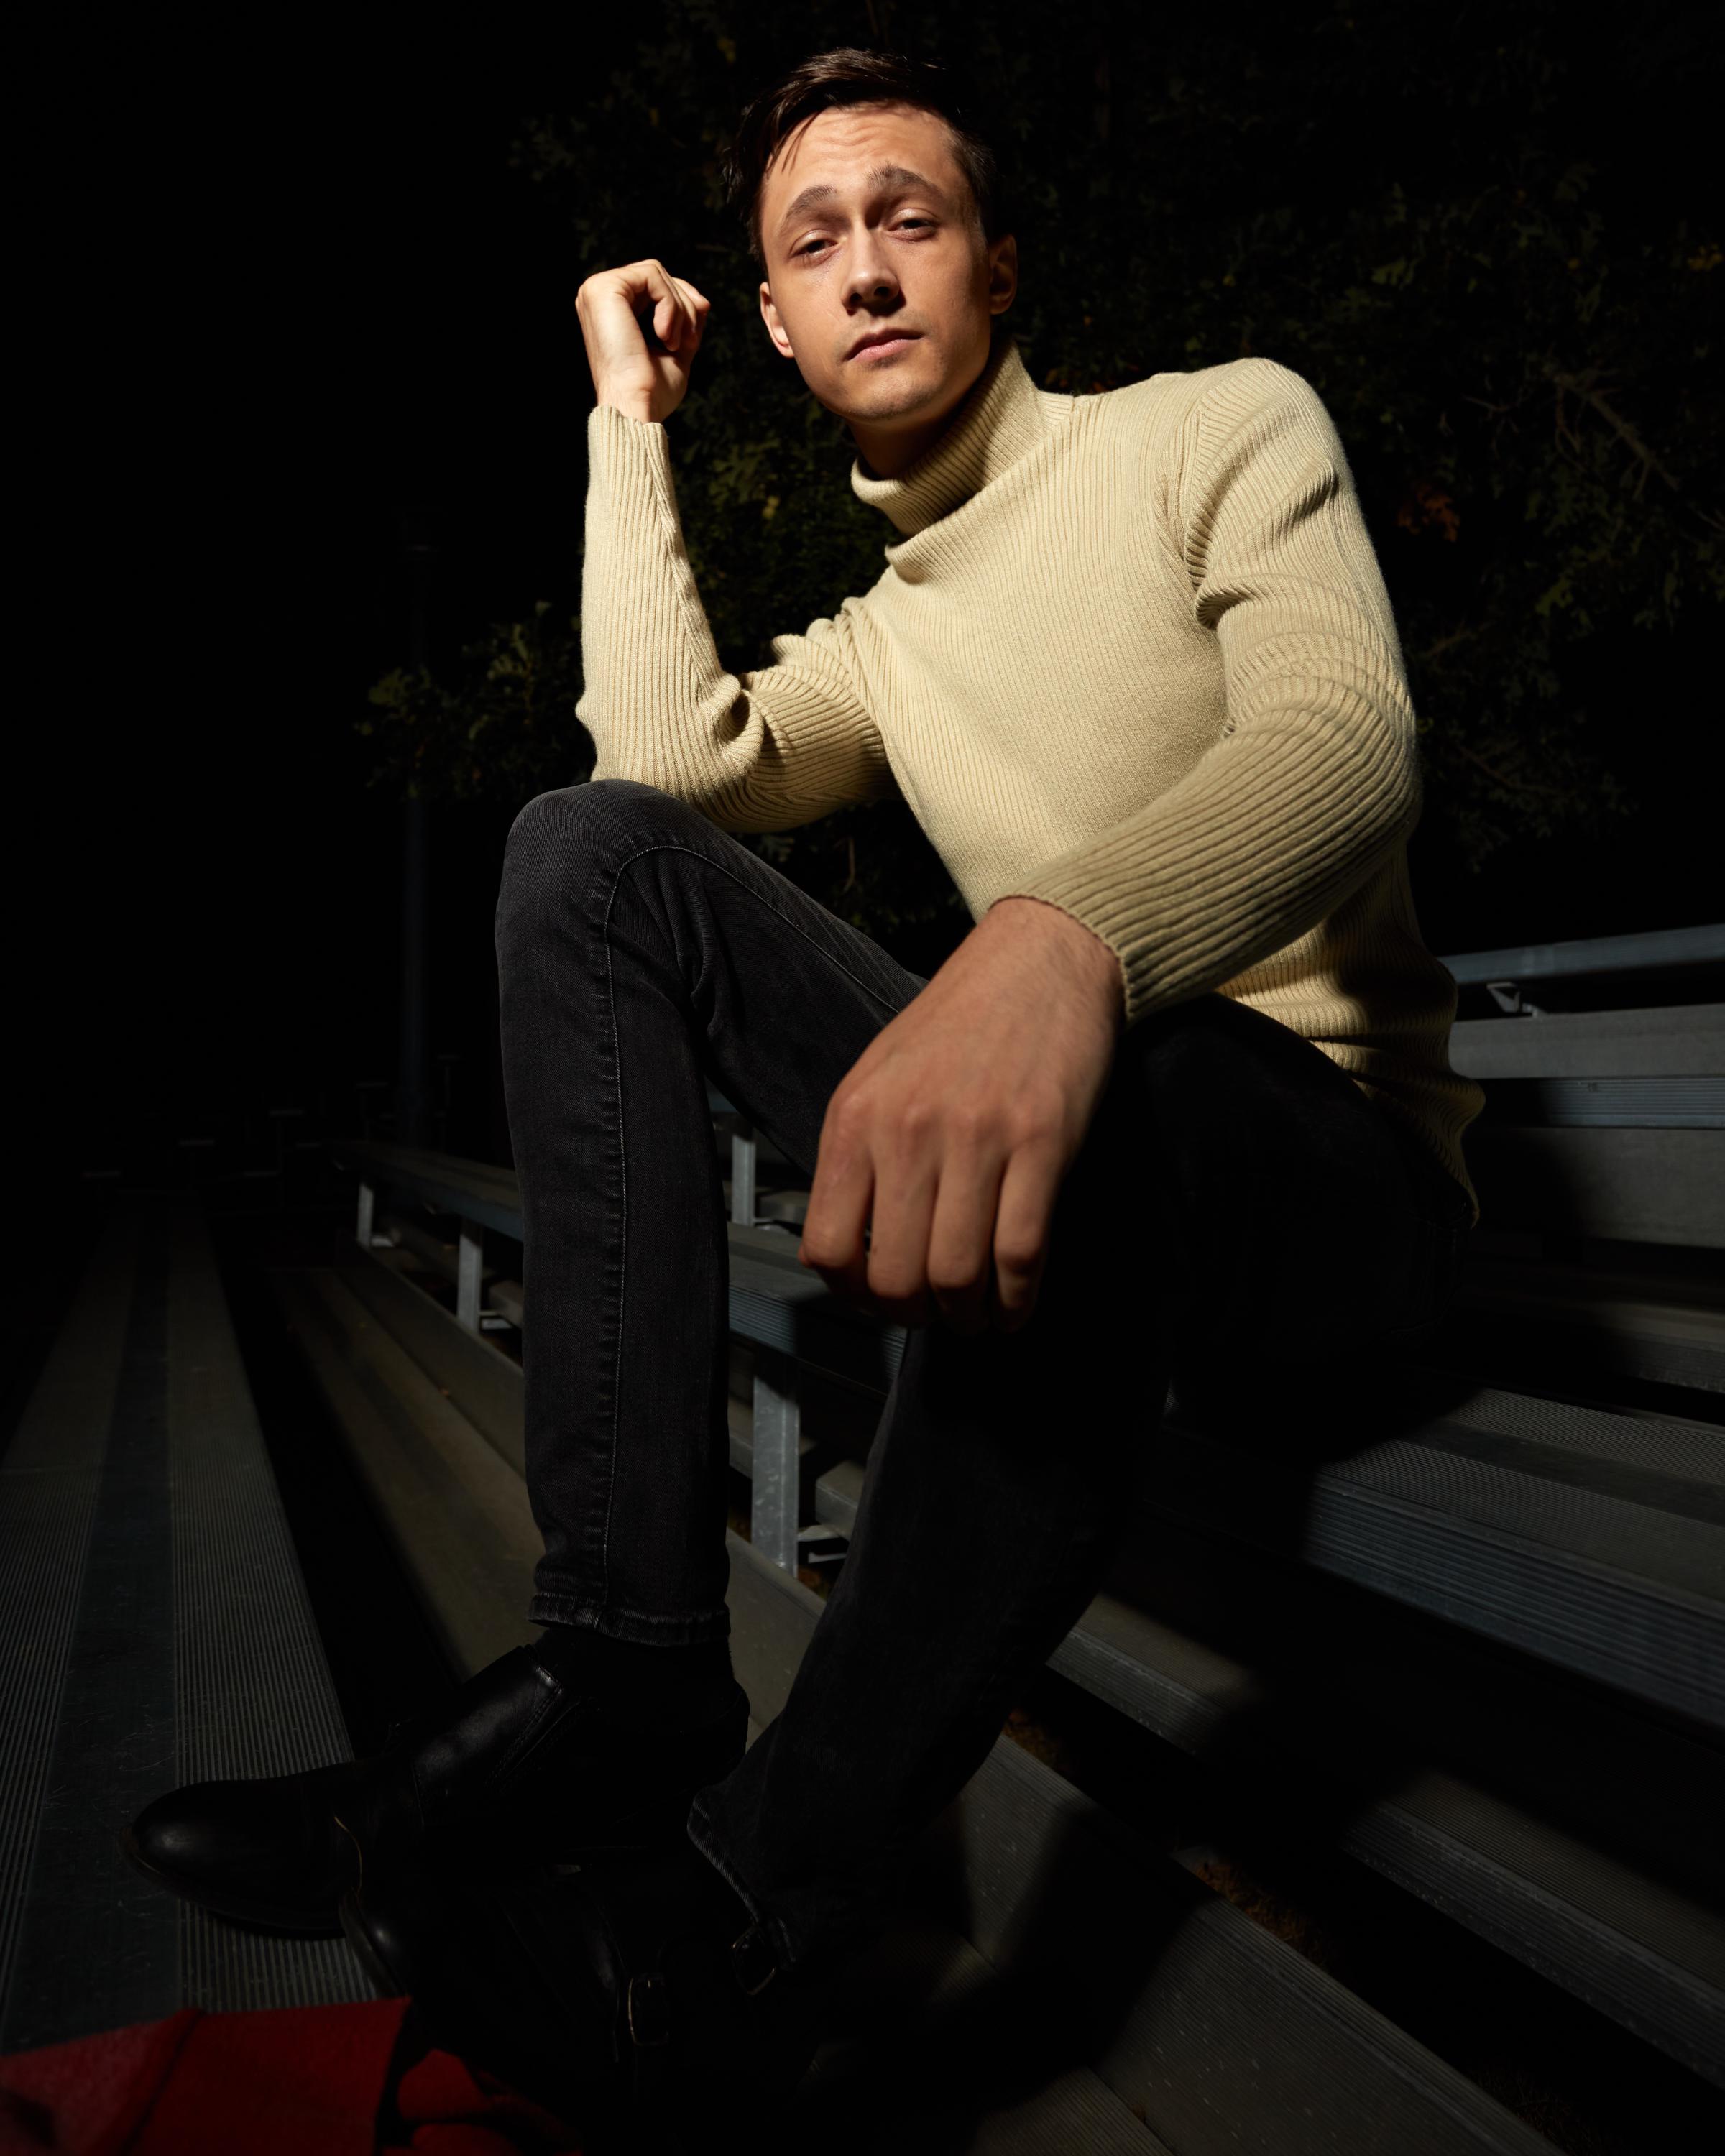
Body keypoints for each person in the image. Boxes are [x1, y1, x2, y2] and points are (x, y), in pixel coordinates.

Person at [123, 43, 1484, 2138]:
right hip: (1097, 1165)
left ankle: (737, 1924)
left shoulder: (1215, 425)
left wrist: (1065, 943)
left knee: (1138, 1067)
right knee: (585, 859)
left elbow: (1346, 741)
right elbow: (660, 772)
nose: (864, 270)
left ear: (1000, 261)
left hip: (1329, 1185)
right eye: (811, 242)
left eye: (910, 219)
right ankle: (624, 1666)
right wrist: (619, 417)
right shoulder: (880, 640)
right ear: (766, 319)